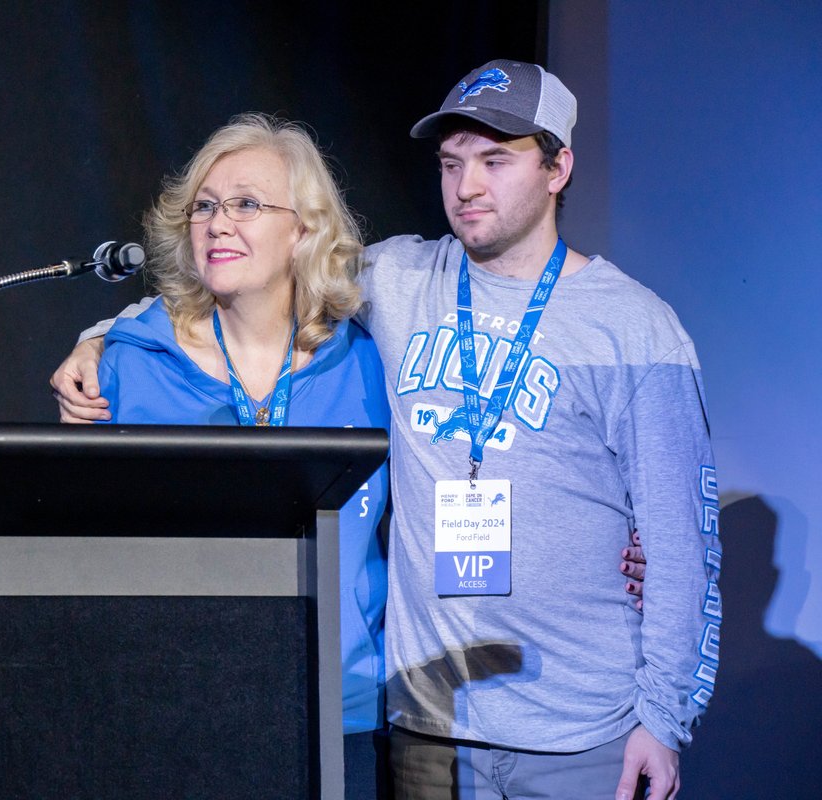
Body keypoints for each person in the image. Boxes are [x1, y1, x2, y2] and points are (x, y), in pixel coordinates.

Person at [51, 60, 716, 800]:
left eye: (496, 161)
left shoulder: (635, 327)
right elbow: (248, 277)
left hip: (581, 731)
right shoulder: (399, 280)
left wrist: (662, 718)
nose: (467, 187)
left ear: (559, 167)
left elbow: (681, 545)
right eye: (451, 163)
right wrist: (101, 337)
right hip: (426, 725)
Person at [93, 113, 392, 799]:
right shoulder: (131, 364)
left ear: (306, 230)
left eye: (247, 204)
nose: (218, 223)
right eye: (204, 206)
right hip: (170, 712)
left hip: (336, 716)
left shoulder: (370, 364)